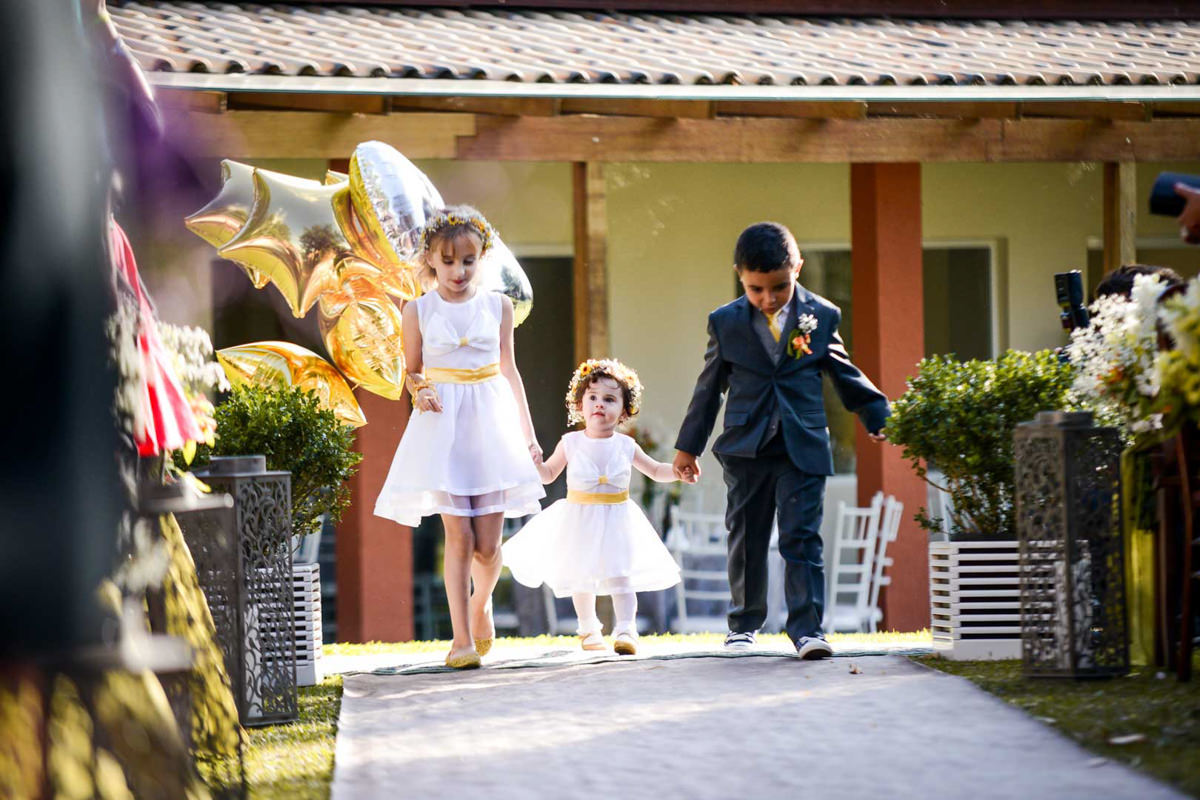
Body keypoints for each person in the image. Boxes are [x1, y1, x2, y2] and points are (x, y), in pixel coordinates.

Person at [672, 222, 890, 660]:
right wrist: (688, 447)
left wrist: (876, 413)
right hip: (746, 445)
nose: (768, 299)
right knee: (747, 537)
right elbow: (709, 386)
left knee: (802, 538)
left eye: (779, 287)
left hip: (802, 444)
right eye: (756, 289)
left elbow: (842, 371)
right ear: (740, 276)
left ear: (797, 268)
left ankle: (808, 629)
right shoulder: (726, 321)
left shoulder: (822, 315)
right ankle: (743, 626)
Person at [374, 206, 544, 670]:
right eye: (447, 261)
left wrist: (527, 437)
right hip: (443, 429)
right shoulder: (417, 310)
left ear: (481, 258)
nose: (458, 271)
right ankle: (461, 639)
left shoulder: (498, 306)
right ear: (430, 259)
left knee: (489, 545)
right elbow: (411, 373)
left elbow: (510, 370)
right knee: (460, 536)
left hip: (490, 426)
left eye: (467, 261)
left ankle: (480, 604)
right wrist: (421, 390)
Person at [503, 359, 688, 656]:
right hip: (580, 517)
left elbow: (655, 470)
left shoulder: (626, 445)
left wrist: (677, 471)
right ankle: (588, 627)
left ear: (624, 411)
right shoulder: (571, 442)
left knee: (621, 575)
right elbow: (549, 474)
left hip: (617, 517)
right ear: (580, 404)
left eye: (609, 399)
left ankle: (626, 628)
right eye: (592, 397)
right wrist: (535, 464)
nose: (599, 404)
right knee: (582, 574)